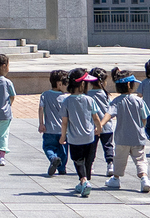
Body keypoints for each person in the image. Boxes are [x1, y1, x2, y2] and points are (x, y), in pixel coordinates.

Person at [61, 68, 105, 196]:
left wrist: (63, 136)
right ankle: (85, 182)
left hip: (74, 138)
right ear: (83, 84)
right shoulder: (89, 100)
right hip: (89, 137)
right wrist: (99, 128)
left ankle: (84, 180)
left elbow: (64, 122)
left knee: (78, 160)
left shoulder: (66, 101)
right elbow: (96, 118)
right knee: (88, 160)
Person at [106, 73, 150, 193]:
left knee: (119, 159)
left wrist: (101, 124)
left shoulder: (116, 101)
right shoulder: (138, 101)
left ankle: (116, 179)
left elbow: (109, 114)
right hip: (138, 137)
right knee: (140, 159)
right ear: (129, 85)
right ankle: (144, 179)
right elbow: (144, 118)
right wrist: (141, 127)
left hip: (122, 138)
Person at [38, 69, 70, 177]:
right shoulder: (66, 98)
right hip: (63, 130)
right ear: (59, 84)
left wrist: (41, 123)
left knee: (48, 147)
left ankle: (53, 158)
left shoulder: (45, 95)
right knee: (63, 150)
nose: (67, 86)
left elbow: (41, 108)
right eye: (65, 83)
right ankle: (62, 168)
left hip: (49, 129)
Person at [89, 67, 118, 170]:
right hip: (106, 126)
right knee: (108, 146)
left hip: (92, 127)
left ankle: (90, 165)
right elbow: (110, 109)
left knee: (92, 147)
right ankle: (110, 164)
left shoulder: (88, 95)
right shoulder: (105, 94)